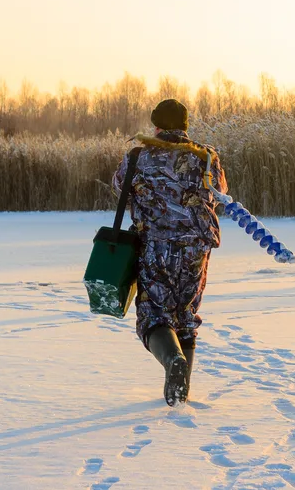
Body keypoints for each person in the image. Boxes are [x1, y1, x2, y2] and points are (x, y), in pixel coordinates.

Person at [111, 98, 228, 406]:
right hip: (195, 249)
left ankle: (173, 360)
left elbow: (119, 186)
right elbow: (219, 193)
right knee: (186, 316)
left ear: (156, 126)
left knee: (153, 315)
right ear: (185, 126)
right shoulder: (207, 157)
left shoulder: (138, 156)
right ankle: (179, 397)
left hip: (156, 246)